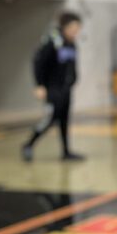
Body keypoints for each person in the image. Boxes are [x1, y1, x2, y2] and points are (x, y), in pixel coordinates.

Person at [21, 12, 84, 162]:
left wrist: (73, 80)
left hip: (66, 88)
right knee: (51, 119)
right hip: (52, 88)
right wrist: (40, 85)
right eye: (73, 28)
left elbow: (71, 65)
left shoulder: (71, 43)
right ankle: (28, 144)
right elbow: (38, 62)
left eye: (78, 29)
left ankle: (66, 151)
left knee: (64, 120)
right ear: (65, 27)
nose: (76, 31)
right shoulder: (53, 41)